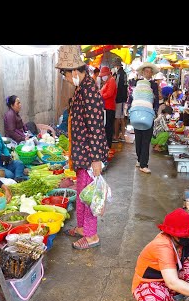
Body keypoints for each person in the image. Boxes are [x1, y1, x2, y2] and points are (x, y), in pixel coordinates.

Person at [54, 45, 109, 250]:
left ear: (75, 71)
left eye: (65, 75)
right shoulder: (81, 88)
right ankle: (81, 228)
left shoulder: (90, 92)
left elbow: (96, 127)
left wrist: (96, 159)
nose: (66, 79)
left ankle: (91, 235)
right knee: (81, 193)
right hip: (81, 154)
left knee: (89, 197)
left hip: (89, 156)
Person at [134, 62, 160, 174]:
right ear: (143, 72)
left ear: (152, 73)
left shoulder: (154, 85)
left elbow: (156, 99)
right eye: (146, 71)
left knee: (146, 139)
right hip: (137, 112)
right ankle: (140, 160)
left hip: (148, 113)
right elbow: (132, 96)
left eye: (150, 71)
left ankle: (144, 164)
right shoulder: (136, 83)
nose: (148, 73)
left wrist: (155, 111)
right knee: (138, 138)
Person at [99, 66, 117, 148]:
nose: (102, 77)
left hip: (109, 108)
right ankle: (105, 146)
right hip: (105, 108)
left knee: (108, 128)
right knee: (106, 128)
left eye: (103, 75)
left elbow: (109, 94)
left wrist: (100, 95)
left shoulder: (112, 81)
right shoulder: (107, 82)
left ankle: (107, 146)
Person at [112, 57, 128, 143]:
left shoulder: (119, 74)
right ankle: (121, 136)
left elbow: (117, 87)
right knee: (121, 118)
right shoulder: (123, 73)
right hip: (122, 98)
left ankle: (117, 137)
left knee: (118, 118)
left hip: (119, 98)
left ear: (117, 65)